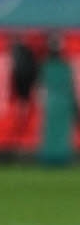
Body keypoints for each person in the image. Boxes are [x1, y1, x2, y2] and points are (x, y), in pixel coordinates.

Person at [37, 31, 77, 166]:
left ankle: (52, 156)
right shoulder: (64, 66)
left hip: (52, 102)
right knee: (60, 131)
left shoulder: (47, 65)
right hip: (63, 102)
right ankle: (58, 156)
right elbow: (71, 86)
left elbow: (41, 86)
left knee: (52, 130)